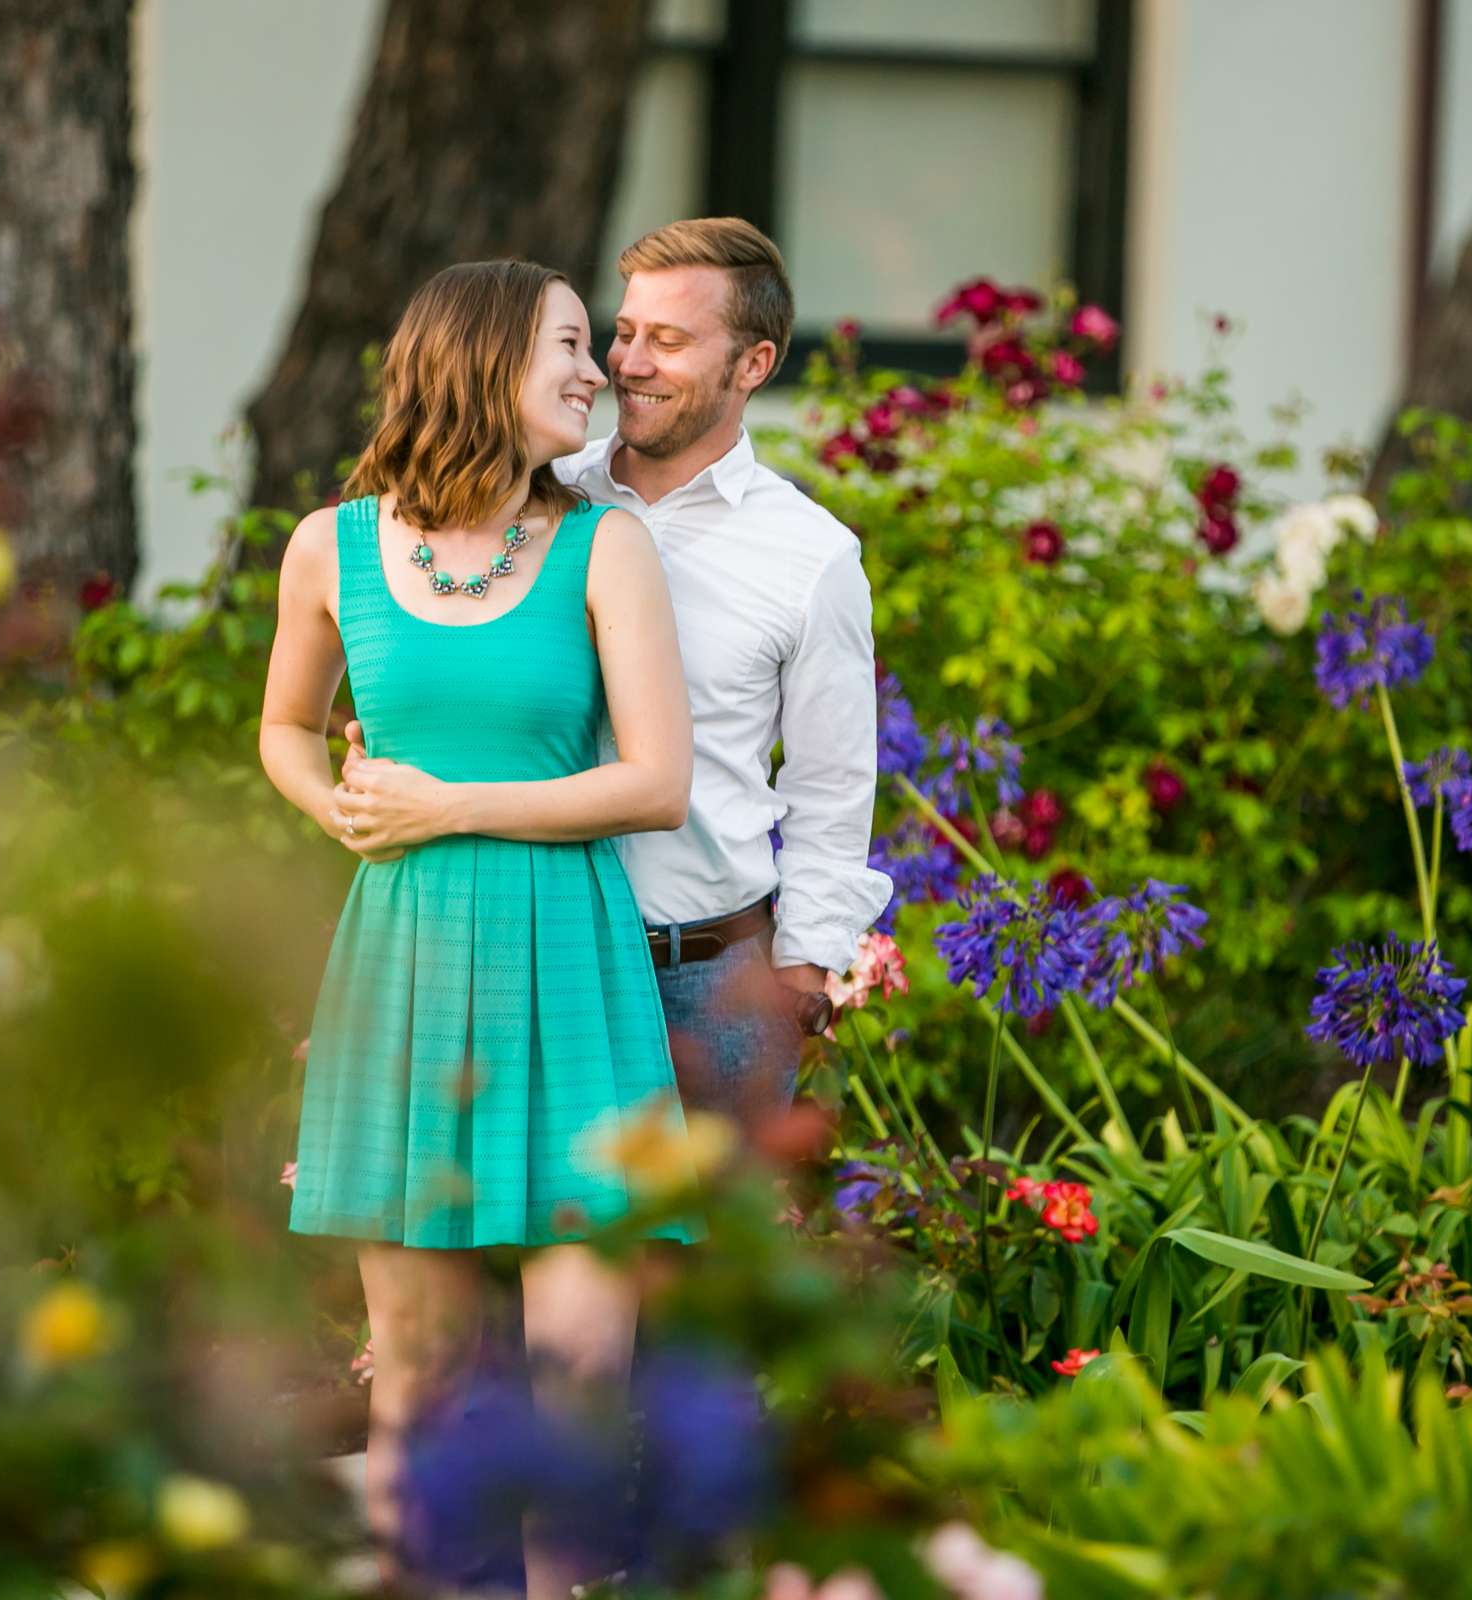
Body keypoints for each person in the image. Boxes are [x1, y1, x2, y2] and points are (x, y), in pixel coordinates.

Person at [257, 259, 697, 1599]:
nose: (597, 371)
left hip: (570, 975)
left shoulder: (603, 545)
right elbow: (282, 726)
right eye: (570, 344)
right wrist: (334, 810)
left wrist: (448, 803)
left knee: (575, 1396)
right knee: (418, 1389)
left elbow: (655, 782)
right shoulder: (331, 547)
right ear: (482, 359)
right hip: (400, 968)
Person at [348, 218, 891, 1134]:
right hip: (523, 945)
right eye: (625, 331)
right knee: (520, 1259)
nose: (627, 364)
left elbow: (833, 791)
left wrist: (800, 977)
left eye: (669, 341)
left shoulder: (810, 556)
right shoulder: (534, 495)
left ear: (753, 365)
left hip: (703, 978)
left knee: (708, 1276)